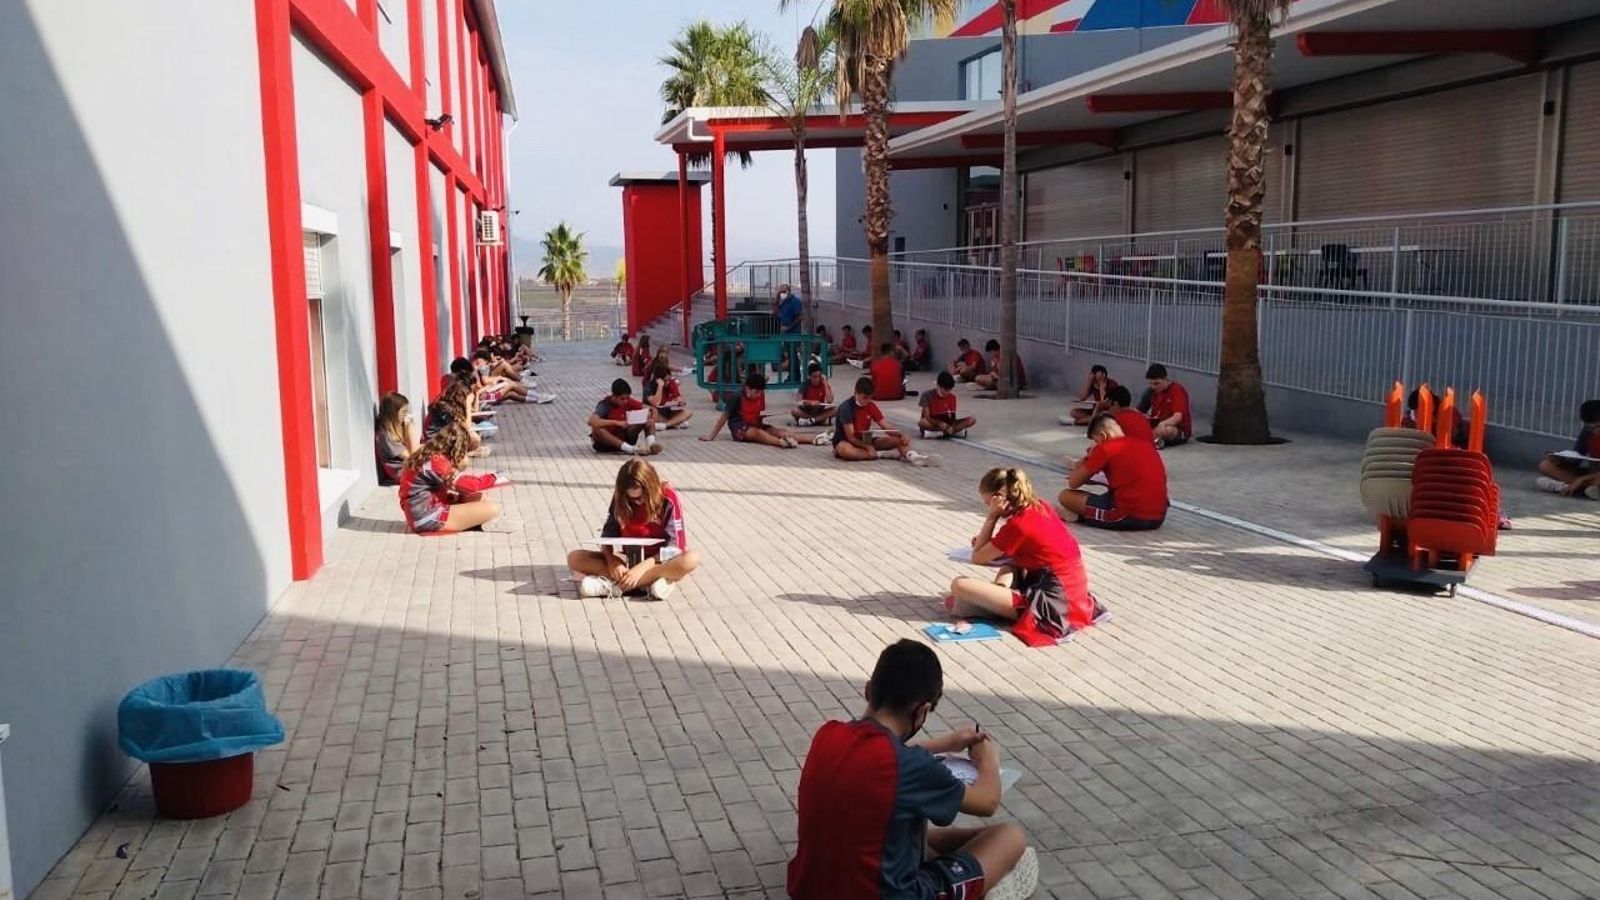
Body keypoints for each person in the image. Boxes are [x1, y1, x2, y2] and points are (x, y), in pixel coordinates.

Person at [787, 640, 1033, 900]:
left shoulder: (828, 734)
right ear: (922, 710)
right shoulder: (912, 766)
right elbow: (987, 802)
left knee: (922, 837)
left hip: (810, 889)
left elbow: (888, 755)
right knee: (1009, 836)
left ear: (869, 690)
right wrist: (988, 761)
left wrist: (947, 743)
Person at [946, 467, 1106, 647]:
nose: (987, 507)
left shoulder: (1018, 525)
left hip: (1052, 602)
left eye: (987, 502)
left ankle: (996, 600)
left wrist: (991, 517)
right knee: (1011, 564)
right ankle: (997, 594)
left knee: (959, 585)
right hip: (1071, 590)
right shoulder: (1040, 505)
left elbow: (978, 557)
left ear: (998, 498)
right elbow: (995, 550)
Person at [566, 459, 701, 601]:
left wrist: (642, 568)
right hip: (629, 558)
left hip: (658, 560)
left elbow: (675, 546)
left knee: (691, 559)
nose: (638, 502)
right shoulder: (620, 498)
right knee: (575, 558)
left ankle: (616, 587)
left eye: (641, 497)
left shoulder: (668, 498)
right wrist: (613, 562)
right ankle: (650, 583)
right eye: (632, 499)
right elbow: (607, 536)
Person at [1059, 415, 1169, 530]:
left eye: (1096, 441)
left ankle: (1082, 517)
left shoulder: (1106, 448)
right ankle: (1084, 515)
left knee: (1066, 496)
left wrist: (1090, 455)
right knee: (1107, 496)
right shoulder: (1145, 445)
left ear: (1103, 436)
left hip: (1129, 515)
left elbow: (1073, 482)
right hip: (1159, 517)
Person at [397, 423, 502, 534]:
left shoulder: (429, 455)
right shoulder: (437, 462)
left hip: (420, 513)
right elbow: (471, 485)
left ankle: (473, 521)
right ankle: (475, 522)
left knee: (478, 498)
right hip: (427, 518)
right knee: (493, 509)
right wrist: (495, 478)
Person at [833, 377, 935, 466]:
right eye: (864, 398)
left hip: (866, 439)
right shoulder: (846, 408)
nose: (867, 401)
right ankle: (882, 454)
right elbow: (851, 436)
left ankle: (915, 457)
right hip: (847, 441)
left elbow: (885, 425)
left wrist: (900, 434)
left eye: (870, 398)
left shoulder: (870, 405)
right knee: (845, 450)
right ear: (856, 393)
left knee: (897, 440)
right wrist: (867, 447)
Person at [701, 371, 798, 448]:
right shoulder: (737, 396)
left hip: (754, 423)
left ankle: (808, 439)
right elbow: (724, 416)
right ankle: (780, 443)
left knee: (777, 431)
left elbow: (761, 412)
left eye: (760, 392)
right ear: (747, 388)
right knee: (759, 433)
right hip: (740, 428)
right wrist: (712, 436)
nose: (758, 395)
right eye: (756, 392)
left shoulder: (759, 396)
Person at [1536, 399, 1600, 499]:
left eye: (1598, 427)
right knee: (1545, 465)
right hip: (1592, 473)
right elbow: (1576, 457)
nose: (1594, 431)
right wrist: (1559, 458)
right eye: (1589, 428)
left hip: (1595, 477)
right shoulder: (1587, 433)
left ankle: (1568, 487)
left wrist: (1582, 479)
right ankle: (1586, 489)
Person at [590, 379, 661, 455]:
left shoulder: (628, 401)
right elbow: (592, 421)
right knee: (596, 429)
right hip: (607, 442)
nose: (625, 401)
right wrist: (617, 423)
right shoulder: (605, 405)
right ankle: (630, 449)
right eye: (622, 399)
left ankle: (651, 446)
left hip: (626, 437)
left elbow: (651, 409)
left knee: (649, 421)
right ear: (614, 396)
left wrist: (652, 416)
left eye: (627, 398)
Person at [1138, 363, 1192, 447]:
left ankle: (1152, 439)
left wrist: (1163, 424)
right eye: (1151, 384)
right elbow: (1139, 411)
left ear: (1165, 379)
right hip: (1156, 424)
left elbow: (1178, 417)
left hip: (1176, 428)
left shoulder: (1177, 390)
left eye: (1157, 383)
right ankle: (1153, 439)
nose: (1154, 387)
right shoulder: (1151, 391)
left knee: (1168, 430)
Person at [375, 391, 418, 486]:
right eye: (403, 412)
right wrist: (410, 428)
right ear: (393, 413)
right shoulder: (386, 435)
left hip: (409, 469)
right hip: (403, 473)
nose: (406, 415)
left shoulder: (395, 431)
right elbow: (414, 457)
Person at [919, 372, 977, 439]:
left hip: (947, 424)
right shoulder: (927, 395)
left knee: (972, 420)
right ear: (938, 386)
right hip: (933, 422)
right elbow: (927, 416)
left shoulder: (952, 397)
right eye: (945, 390)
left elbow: (953, 417)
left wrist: (951, 426)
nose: (947, 392)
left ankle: (940, 434)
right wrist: (939, 423)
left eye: (949, 390)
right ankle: (952, 433)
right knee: (922, 422)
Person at [644, 359, 693, 430]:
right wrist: (660, 386)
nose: (667, 382)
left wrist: (680, 402)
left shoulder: (671, 383)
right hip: (655, 412)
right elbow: (655, 402)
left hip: (667, 412)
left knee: (688, 412)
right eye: (665, 380)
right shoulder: (649, 387)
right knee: (650, 415)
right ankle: (676, 422)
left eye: (669, 380)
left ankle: (666, 425)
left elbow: (678, 398)